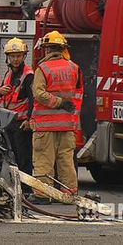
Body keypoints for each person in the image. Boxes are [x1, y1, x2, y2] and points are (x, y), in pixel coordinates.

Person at [28, 31, 83, 204]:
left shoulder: (43, 69)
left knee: (44, 159)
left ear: (46, 49)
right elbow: (76, 94)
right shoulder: (74, 68)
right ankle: (68, 193)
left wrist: (58, 102)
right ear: (62, 48)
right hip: (67, 125)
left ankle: (43, 194)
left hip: (46, 126)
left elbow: (39, 94)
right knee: (66, 160)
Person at [0, 38, 34, 189]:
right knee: (10, 157)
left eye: (18, 56)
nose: (15, 59)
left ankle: (25, 189)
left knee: (23, 158)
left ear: (24, 56)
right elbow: (0, 94)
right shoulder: (8, 73)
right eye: (12, 56)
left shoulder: (29, 74)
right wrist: (0, 92)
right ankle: (15, 187)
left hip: (21, 122)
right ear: (8, 57)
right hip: (9, 122)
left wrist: (30, 120)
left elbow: (33, 100)